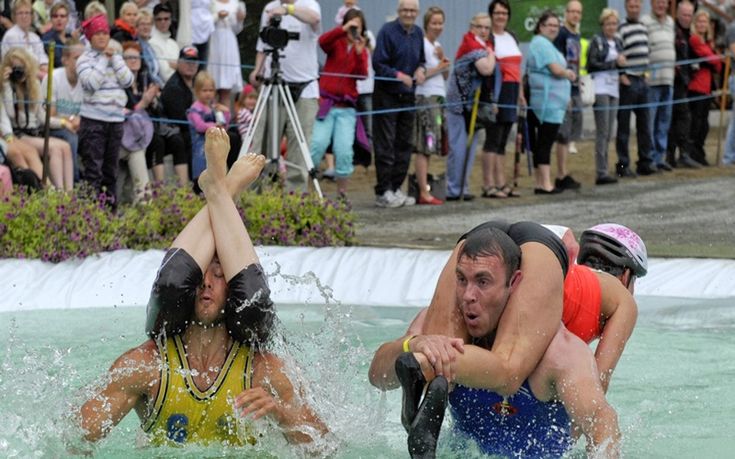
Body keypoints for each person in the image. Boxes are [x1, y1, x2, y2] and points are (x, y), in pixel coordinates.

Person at [78, 127, 328, 446]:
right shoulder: (146, 366)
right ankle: (224, 187)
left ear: (232, 288)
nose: (205, 283)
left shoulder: (264, 370)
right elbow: (77, 436)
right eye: (199, 274)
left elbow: (324, 447)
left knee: (256, 298)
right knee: (170, 284)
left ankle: (219, 187)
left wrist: (281, 411)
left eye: (220, 275)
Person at [370, 226, 621, 458]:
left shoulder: (558, 352)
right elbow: (377, 375)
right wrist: (412, 344)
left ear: (513, 284)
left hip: (544, 250)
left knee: (475, 366)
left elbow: (601, 417)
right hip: (460, 451)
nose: (468, 296)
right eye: (461, 280)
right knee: (432, 354)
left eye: (482, 282)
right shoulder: (436, 334)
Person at [248, 0, 322, 193]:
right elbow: (264, 43)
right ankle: (258, 196)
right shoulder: (269, 8)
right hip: (273, 86)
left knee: (299, 146)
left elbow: (314, 19)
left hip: (304, 88)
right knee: (261, 143)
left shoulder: (310, 4)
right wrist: (257, 70)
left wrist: (288, 10)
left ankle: (294, 200)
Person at [309, 8, 368, 200]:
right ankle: (309, 191)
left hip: (346, 109)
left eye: (357, 27)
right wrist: (342, 30)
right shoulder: (336, 42)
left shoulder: (362, 48)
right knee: (317, 145)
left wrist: (359, 53)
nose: (354, 30)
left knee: (344, 151)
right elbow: (322, 42)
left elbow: (362, 74)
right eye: (352, 25)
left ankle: (342, 194)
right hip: (327, 105)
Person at [371, 0, 426, 207]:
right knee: (385, 143)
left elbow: (421, 60)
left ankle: (396, 187)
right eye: (405, 10)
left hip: (408, 95)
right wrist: (397, 75)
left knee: (405, 143)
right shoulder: (387, 31)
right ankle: (383, 190)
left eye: (412, 10)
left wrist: (421, 69)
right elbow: (378, 63)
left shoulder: (418, 33)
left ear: (417, 12)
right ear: (399, 11)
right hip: (387, 94)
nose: (409, 13)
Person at [76, 13, 134, 205]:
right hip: (93, 122)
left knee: (111, 171)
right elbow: (91, 83)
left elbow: (128, 81)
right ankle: (89, 214)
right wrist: (103, 60)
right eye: (97, 33)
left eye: (105, 33)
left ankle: (110, 211)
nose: (102, 37)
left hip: (115, 121)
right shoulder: (83, 60)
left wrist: (115, 60)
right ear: (90, 37)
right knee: (93, 170)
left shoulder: (115, 57)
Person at [1, 48, 73, 191]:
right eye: (15, 68)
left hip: (34, 132)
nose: (18, 72)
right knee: (54, 149)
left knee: (65, 146)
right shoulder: (7, 87)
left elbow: (41, 118)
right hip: (19, 133)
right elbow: (9, 113)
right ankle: (53, 191)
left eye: (21, 67)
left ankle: (69, 192)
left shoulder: (34, 85)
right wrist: (6, 84)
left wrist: (63, 122)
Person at [443, 12, 495, 202]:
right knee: (458, 147)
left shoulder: (483, 45)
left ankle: (462, 186)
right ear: (472, 28)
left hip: (473, 105)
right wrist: (491, 55)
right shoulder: (471, 43)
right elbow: (486, 68)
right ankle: (453, 188)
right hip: (458, 104)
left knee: (470, 147)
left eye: (487, 27)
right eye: (479, 27)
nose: (483, 31)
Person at [480, 0, 524, 199]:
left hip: (513, 91)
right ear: (491, 15)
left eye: (504, 13)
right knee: (493, 138)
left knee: (503, 139)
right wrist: (491, 98)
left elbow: (517, 69)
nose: (501, 16)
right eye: (497, 13)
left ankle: (501, 182)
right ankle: (488, 184)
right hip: (496, 92)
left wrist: (521, 94)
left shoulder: (511, 36)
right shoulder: (488, 38)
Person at [526, 10, 574, 195]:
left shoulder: (547, 44)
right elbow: (555, 69)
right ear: (540, 26)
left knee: (543, 142)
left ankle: (541, 182)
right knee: (545, 142)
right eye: (549, 25)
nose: (553, 28)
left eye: (556, 25)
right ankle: (545, 183)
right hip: (547, 104)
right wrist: (568, 74)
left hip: (553, 103)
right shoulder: (541, 43)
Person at [616, 0, 656, 178]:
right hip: (628, 81)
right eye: (631, 6)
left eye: (637, 6)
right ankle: (623, 164)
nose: (634, 9)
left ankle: (645, 161)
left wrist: (647, 74)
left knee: (644, 125)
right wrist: (621, 75)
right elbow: (617, 53)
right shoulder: (621, 28)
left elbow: (647, 51)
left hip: (642, 80)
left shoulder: (643, 26)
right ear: (626, 8)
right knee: (624, 126)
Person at [413, 6, 449, 205]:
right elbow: (420, 76)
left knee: (434, 144)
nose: (438, 26)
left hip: (438, 98)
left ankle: (426, 188)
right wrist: (439, 67)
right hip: (425, 98)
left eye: (440, 23)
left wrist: (443, 62)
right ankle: (423, 191)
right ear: (426, 24)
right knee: (424, 145)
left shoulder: (437, 45)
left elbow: (445, 75)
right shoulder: (422, 44)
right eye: (434, 23)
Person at [587, 8, 625, 185]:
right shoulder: (596, 41)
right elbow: (592, 64)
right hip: (600, 89)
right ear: (602, 25)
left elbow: (620, 66)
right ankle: (601, 171)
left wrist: (622, 67)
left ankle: (606, 168)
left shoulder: (618, 42)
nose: (611, 27)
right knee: (602, 132)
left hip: (614, 89)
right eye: (608, 23)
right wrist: (613, 63)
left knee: (610, 131)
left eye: (614, 23)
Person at [118, 41, 156, 203]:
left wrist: (154, 101)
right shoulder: (118, 84)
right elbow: (126, 112)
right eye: (129, 58)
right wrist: (144, 102)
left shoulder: (145, 80)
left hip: (141, 136)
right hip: (122, 138)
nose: (134, 60)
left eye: (136, 57)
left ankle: (143, 201)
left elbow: (157, 112)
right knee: (137, 152)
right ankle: (145, 202)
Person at [41, 39, 83, 182]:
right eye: (77, 58)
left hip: (79, 127)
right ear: (65, 60)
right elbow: (48, 119)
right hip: (53, 129)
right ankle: (76, 184)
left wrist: (80, 120)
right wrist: (66, 122)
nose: (82, 62)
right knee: (71, 138)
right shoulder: (53, 78)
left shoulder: (87, 80)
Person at [552, 0, 583, 192]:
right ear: (566, 13)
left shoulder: (576, 34)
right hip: (564, 87)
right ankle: (560, 174)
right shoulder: (561, 34)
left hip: (575, 85)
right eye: (571, 11)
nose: (575, 15)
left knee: (572, 128)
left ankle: (564, 171)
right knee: (562, 133)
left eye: (578, 12)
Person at [668, 1, 703, 169]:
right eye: (684, 15)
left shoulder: (691, 33)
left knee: (679, 119)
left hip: (684, 81)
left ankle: (675, 155)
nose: (687, 18)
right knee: (681, 117)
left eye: (690, 15)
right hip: (674, 80)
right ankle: (680, 154)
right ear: (678, 14)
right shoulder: (674, 31)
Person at [642, 0, 676, 172]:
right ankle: (649, 158)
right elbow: (643, 49)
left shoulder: (671, 22)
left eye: (664, 2)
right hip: (652, 81)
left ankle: (659, 157)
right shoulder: (645, 21)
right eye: (658, 2)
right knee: (650, 121)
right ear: (652, 3)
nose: (661, 5)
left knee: (664, 121)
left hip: (668, 80)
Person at [158, 45, 199, 186]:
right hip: (173, 132)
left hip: (194, 126)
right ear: (178, 63)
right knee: (192, 140)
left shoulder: (197, 82)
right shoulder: (174, 87)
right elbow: (181, 121)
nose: (191, 65)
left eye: (194, 62)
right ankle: (194, 186)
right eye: (187, 61)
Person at [687, 8, 721, 167]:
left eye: (704, 22)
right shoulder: (695, 39)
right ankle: (693, 152)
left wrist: (714, 59)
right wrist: (714, 59)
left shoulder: (707, 42)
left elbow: (718, 65)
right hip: (696, 86)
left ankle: (699, 151)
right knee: (697, 123)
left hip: (707, 87)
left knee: (704, 124)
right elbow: (712, 59)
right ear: (695, 23)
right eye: (699, 21)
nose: (702, 24)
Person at [187, 71, 231, 183]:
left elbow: (224, 126)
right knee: (202, 165)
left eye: (211, 90)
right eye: (204, 90)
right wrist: (215, 126)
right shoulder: (195, 108)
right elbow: (199, 126)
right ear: (197, 91)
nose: (208, 94)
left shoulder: (214, 107)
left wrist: (226, 112)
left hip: (215, 143)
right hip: (200, 143)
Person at [208, 0, 245, 104]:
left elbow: (237, 29)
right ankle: (210, 116)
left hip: (229, 42)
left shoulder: (237, 3)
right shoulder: (211, 2)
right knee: (211, 85)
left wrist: (239, 20)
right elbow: (205, 22)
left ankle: (226, 117)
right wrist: (217, 16)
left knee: (226, 88)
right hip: (214, 39)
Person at [1, 0, 49, 80]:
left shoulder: (34, 36)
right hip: (17, 80)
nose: (24, 16)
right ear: (14, 16)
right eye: (20, 13)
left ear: (31, 16)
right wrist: (43, 75)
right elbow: (22, 63)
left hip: (37, 77)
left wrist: (44, 66)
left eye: (27, 13)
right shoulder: (11, 35)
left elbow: (42, 56)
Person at [149, 3, 179, 83]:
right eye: (159, 19)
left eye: (166, 19)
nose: (163, 22)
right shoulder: (152, 42)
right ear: (154, 21)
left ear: (170, 20)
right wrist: (178, 67)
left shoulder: (173, 44)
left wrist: (177, 67)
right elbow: (165, 74)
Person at [41, 2, 76, 70]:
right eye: (55, 16)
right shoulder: (47, 38)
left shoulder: (70, 38)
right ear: (51, 19)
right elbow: (58, 62)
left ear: (67, 19)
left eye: (62, 16)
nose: (59, 19)